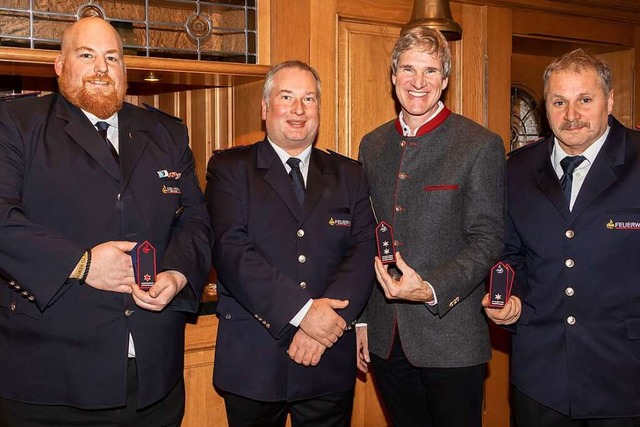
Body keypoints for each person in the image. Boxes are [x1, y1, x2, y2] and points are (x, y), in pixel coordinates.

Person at [0, 17, 212, 426]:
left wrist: (179, 274)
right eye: (87, 55)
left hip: (154, 377)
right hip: (50, 379)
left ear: (125, 71)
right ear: (59, 66)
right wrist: (83, 264)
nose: (102, 67)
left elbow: (197, 221)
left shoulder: (166, 133)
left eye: (112, 57)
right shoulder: (16, 124)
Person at [205, 60, 376, 427]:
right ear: (265, 108)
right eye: (287, 97)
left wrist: (327, 325)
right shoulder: (230, 170)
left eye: (309, 99)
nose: (299, 110)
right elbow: (231, 251)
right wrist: (304, 314)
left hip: (328, 359)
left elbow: (364, 250)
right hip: (254, 361)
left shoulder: (350, 174)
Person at [356, 26, 505, 427]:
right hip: (387, 339)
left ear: (445, 80)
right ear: (392, 76)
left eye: (430, 71)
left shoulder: (479, 145)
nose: (418, 82)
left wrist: (430, 288)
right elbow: (365, 236)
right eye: (408, 69)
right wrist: (365, 319)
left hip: (452, 340)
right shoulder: (371, 145)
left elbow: (488, 239)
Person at [484, 49, 640, 426]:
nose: (571, 115)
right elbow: (511, 253)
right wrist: (511, 300)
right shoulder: (518, 169)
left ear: (610, 101)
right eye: (559, 102)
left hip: (625, 375)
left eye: (584, 100)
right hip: (540, 377)